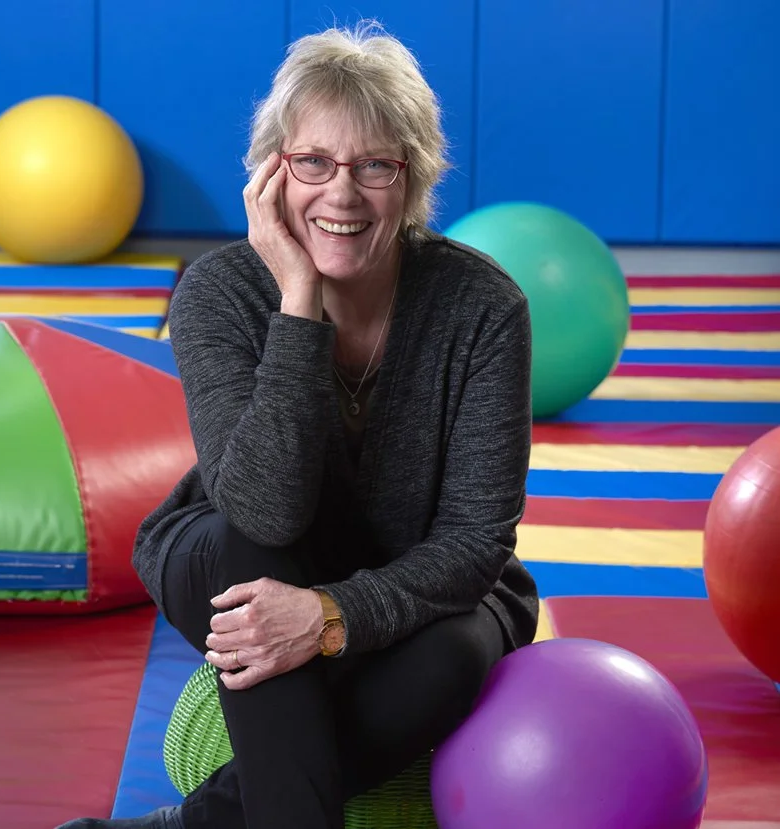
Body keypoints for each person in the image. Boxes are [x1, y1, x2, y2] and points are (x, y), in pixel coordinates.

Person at [57, 19, 538, 829]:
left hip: (422, 574)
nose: (341, 194)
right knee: (253, 561)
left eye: (374, 166)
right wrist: (296, 302)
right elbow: (263, 509)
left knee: (454, 652)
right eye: (312, 162)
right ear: (271, 173)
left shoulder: (484, 308)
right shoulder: (217, 292)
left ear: (413, 176)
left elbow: (473, 541)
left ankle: (194, 823)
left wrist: (328, 617)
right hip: (234, 546)